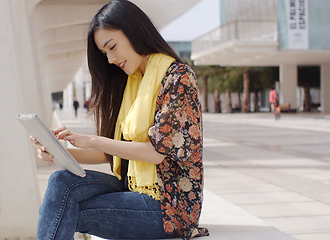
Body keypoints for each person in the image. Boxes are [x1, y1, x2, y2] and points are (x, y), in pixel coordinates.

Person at [31, 1, 208, 239]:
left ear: (133, 30)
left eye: (112, 47)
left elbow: (156, 153)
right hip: (132, 187)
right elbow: (116, 154)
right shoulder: (133, 82)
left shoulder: (178, 78)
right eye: (105, 54)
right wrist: (61, 153)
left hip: (169, 207)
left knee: (60, 209)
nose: (111, 59)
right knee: (61, 180)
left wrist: (93, 140)